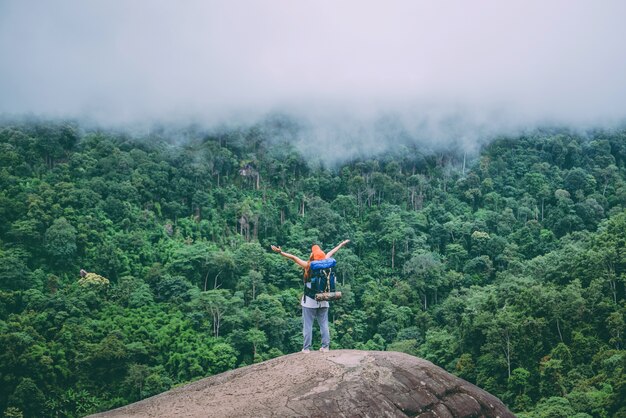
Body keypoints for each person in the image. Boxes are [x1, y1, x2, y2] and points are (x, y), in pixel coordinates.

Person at [271, 240, 350, 353]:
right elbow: (332, 252)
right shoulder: (327, 262)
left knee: (308, 325)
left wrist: (281, 252)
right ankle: (325, 347)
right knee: (324, 324)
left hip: (309, 302)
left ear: (312, 255)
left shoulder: (308, 266)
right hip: (324, 299)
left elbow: (293, 258)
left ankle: (306, 348)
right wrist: (341, 245)